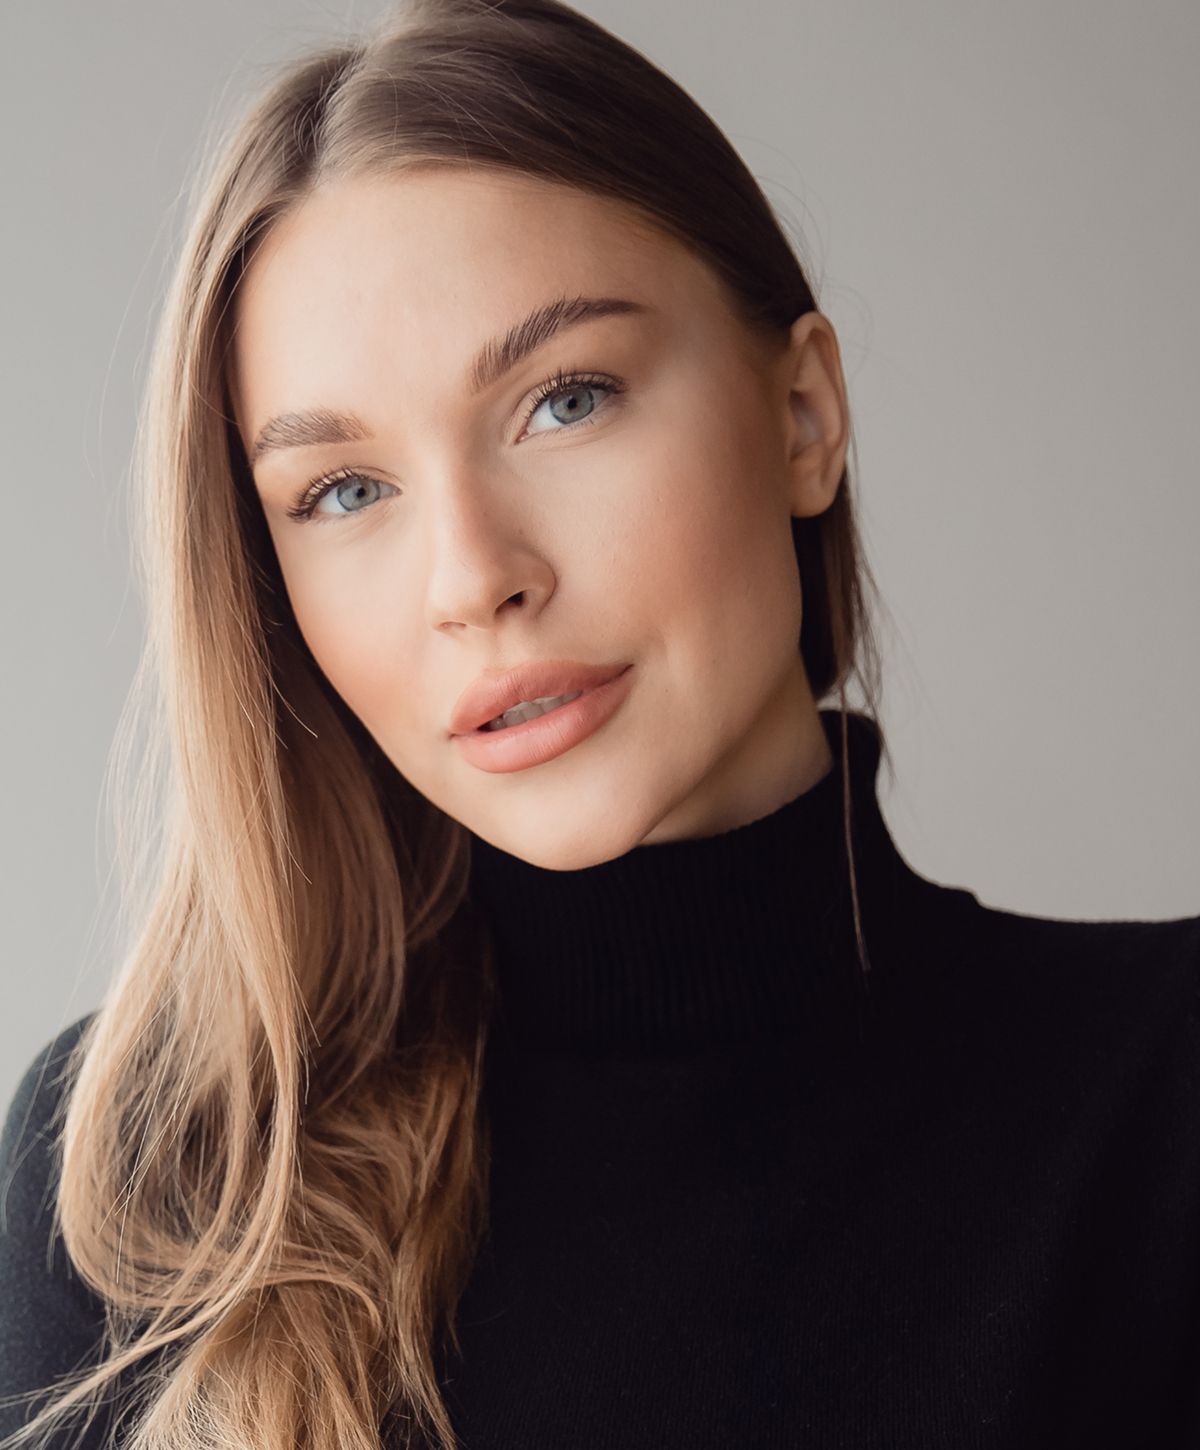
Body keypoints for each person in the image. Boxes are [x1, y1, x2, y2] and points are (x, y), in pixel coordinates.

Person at [2, 0, 1198, 1446]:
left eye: (564, 402)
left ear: (804, 415)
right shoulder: (156, 1183)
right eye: (344, 491)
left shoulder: (1159, 1101)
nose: (474, 578)